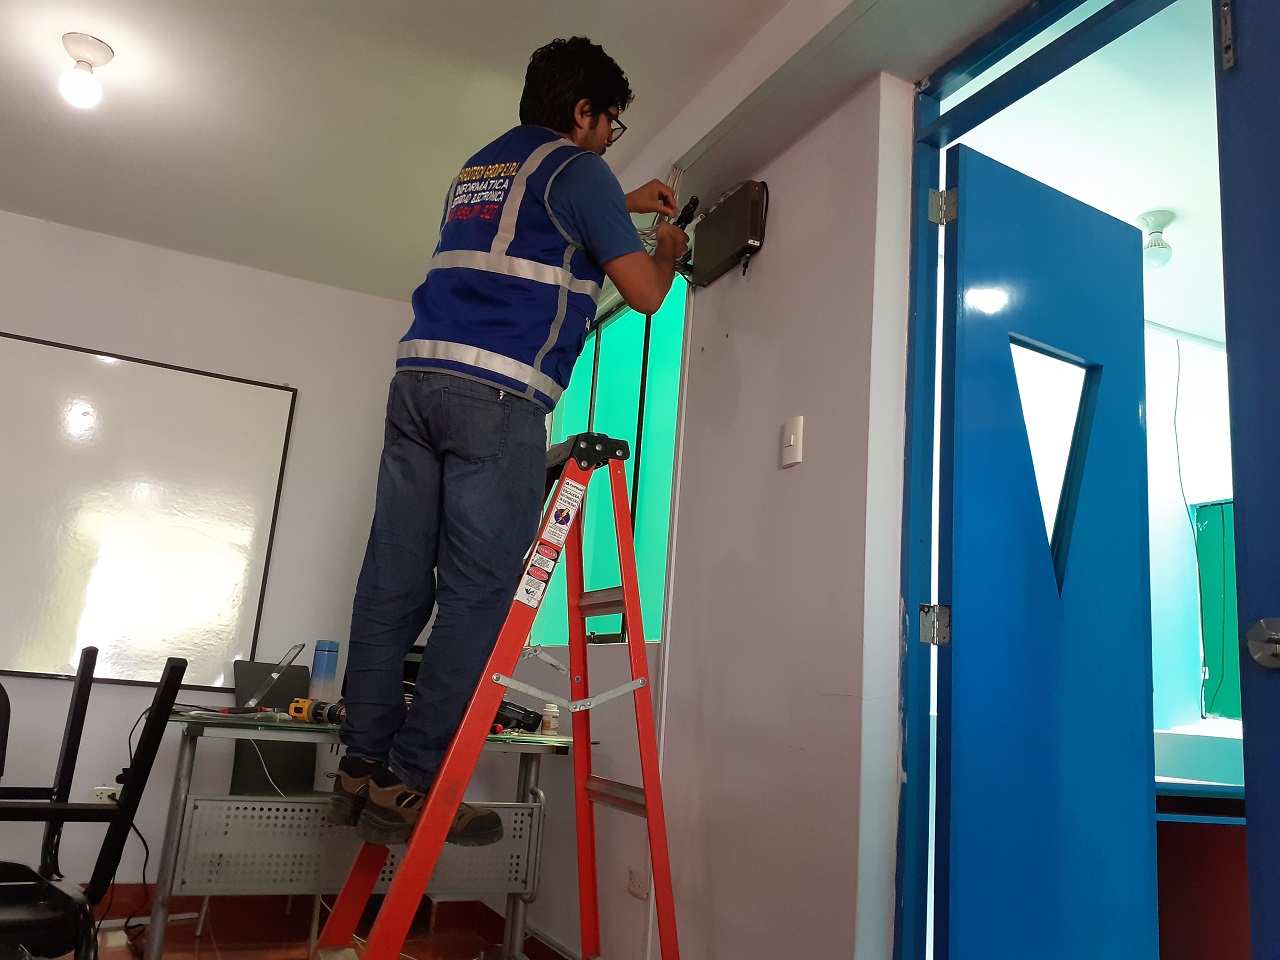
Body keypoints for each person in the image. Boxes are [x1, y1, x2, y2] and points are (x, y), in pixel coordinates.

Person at [330, 36, 689, 846]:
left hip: (417, 383)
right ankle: (413, 781)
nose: (609, 140)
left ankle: (360, 765)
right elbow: (642, 294)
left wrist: (621, 201)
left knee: (392, 582)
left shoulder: (484, 167)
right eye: (610, 123)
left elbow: (535, 229)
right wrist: (666, 249)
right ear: (583, 111)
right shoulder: (580, 170)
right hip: (496, 396)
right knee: (478, 594)